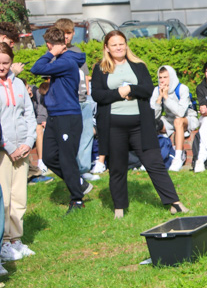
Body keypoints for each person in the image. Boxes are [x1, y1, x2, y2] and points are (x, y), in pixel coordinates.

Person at [90, 30, 188, 218]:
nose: (118, 47)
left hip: (140, 126)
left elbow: (147, 89)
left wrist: (131, 89)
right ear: (107, 48)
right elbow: (98, 95)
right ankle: (119, 208)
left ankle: (174, 203)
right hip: (113, 126)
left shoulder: (138, 65)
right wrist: (119, 92)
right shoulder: (100, 68)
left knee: (155, 163)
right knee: (117, 168)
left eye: (121, 43)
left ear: (126, 45)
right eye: (114, 45)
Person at [28, 27, 90, 213]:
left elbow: (36, 68)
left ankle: (77, 200)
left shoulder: (67, 60)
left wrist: (51, 53)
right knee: (48, 156)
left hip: (67, 115)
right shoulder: (62, 59)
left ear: (49, 45)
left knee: (66, 159)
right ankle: (79, 182)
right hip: (55, 115)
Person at [0, 43, 37, 271]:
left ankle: (15, 238)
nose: (1, 67)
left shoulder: (19, 84)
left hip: (21, 149)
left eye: (5, 63)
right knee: (3, 199)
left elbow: (29, 114)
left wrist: (28, 142)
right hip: (3, 150)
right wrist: (9, 147)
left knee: (19, 196)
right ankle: (3, 240)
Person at [53, 19, 98, 183]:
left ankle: (83, 168)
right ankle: (72, 170)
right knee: (69, 137)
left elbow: (85, 75)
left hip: (82, 99)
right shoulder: (53, 52)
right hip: (65, 103)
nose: (66, 36)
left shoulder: (77, 51)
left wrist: (87, 95)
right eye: (63, 33)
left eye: (69, 33)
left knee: (86, 134)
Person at [150, 66, 200, 171]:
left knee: (178, 121)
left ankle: (178, 157)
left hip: (188, 118)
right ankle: (150, 158)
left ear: (171, 77)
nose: (162, 80)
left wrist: (166, 97)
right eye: (160, 77)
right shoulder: (157, 90)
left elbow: (181, 113)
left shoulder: (182, 89)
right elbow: (154, 116)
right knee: (151, 123)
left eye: (165, 77)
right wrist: (159, 99)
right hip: (169, 120)